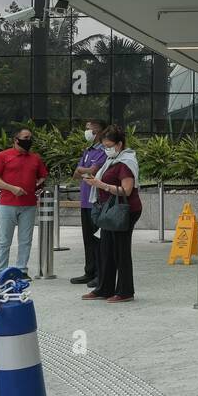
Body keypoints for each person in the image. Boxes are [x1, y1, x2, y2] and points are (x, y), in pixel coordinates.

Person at [83, 126, 141, 302]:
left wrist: (101, 185)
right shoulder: (111, 161)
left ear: (120, 144)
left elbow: (127, 190)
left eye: (109, 145)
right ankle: (104, 288)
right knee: (106, 249)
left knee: (121, 250)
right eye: (104, 146)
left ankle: (125, 291)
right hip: (109, 210)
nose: (106, 149)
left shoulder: (126, 163)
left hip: (124, 210)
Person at [0, 127, 48, 277]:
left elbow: (42, 175)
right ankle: (1, 271)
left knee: (25, 240)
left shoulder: (35, 158)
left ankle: (22, 270)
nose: (29, 140)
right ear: (16, 139)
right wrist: (12, 188)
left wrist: (35, 184)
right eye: (26, 137)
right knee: (4, 240)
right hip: (8, 203)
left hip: (28, 204)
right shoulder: (3, 156)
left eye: (30, 137)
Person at [70, 118, 108, 290]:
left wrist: (84, 170)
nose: (87, 132)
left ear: (99, 131)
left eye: (90, 130)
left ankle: (101, 273)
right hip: (84, 201)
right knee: (87, 239)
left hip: (96, 201)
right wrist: (85, 171)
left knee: (97, 239)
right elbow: (76, 174)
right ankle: (90, 271)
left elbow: (93, 172)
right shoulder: (88, 150)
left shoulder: (104, 151)